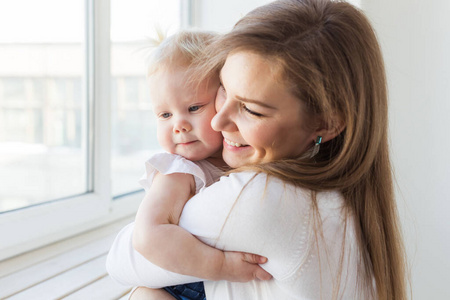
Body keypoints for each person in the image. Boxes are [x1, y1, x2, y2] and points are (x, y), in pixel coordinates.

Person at [107, 0, 408, 299]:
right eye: (223, 89)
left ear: (327, 123)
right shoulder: (339, 189)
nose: (218, 119)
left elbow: (123, 259)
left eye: (252, 110)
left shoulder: (261, 198)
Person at [109, 31, 271, 300]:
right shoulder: (180, 170)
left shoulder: (240, 157)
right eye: (165, 114)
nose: (179, 125)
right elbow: (148, 236)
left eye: (194, 107)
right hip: (177, 286)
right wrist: (220, 265)